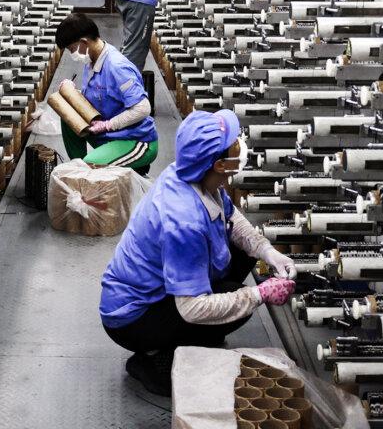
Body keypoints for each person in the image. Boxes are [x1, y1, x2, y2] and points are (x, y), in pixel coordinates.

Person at [99, 109, 297, 396]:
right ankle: (152, 363)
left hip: (159, 290)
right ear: (219, 164)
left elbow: (231, 218)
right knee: (237, 303)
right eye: (234, 144)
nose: (240, 146)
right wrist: (259, 295)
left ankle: (190, 336)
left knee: (245, 253)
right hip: (131, 317)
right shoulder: (184, 221)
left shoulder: (193, 174)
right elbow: (192, 308)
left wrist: (269, 252)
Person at [53, 13, 158, 172]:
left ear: (84, 42)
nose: (72, 54)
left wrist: (108, 125)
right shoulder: (92, 60)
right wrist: (73, 92)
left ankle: (90, 168)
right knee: (68, 113)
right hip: (109, 135)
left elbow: (143, 109)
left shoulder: (117, 67)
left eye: (72, 49)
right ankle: (78, 167)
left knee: (91, 164)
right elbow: (101, 95)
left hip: (136, 140)